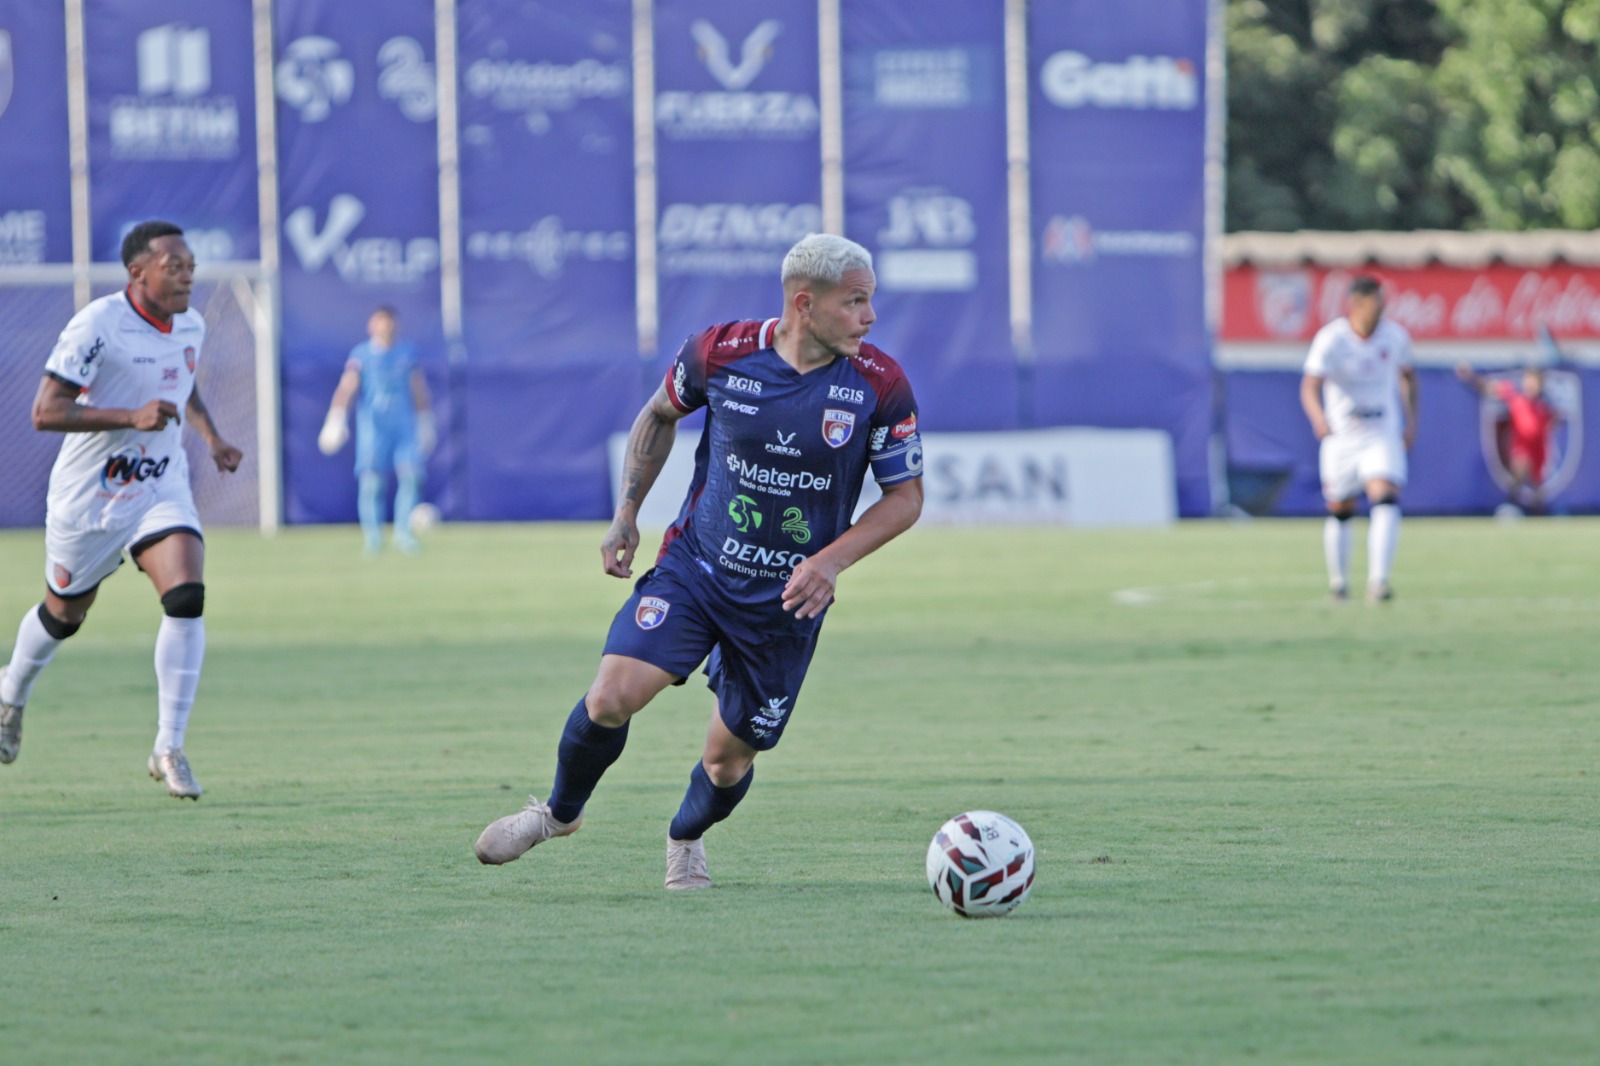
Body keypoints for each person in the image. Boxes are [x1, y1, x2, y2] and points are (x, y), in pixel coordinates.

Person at [474, 233, 924, 889]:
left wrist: (830, 562)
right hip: (697, 570)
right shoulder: (721, 353)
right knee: (610, 697)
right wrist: (627, 512)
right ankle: (558, 814)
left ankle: (685, 837)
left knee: (726, 762)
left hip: (785, 603)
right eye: (855, 302)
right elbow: (658, 415)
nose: (870, 316)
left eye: (870, 301)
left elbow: (906, 497)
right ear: (805, 303)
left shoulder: (879, 384)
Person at [0, 220, 244, 798]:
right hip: (90, 498)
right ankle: (10, 695)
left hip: (158, 484)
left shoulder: (191, 323)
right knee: (63, 615)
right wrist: (130, 417)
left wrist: (211, 437)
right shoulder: (97, 325)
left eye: (191, 266)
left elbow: (183, 382)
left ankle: (169, 745)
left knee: (186, 596)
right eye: (174, 266)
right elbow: (45, 411)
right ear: (138, 272)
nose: (187, 275)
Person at [1300, 274, 1418, 604]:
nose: (1381, 308)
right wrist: (1318, 418)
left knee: (1385, 495)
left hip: (1381, 432)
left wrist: (1411, 420)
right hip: (1342, 437)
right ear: (1357, 304)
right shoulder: (1332, 339)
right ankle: (1339, 585)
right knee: (1340, 507)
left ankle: (1379, 582)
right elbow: (1309, 385)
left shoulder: (1395, 337)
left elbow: (1409, 377)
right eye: (1375, 302)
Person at [317, 306, 435, 554]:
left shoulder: (407, 353)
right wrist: (336, 417)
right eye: (380, 322)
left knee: (412, 476)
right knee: (371, 482)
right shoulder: (361, 355)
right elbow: (348, 386)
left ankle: (404, 534)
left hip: (404, 426)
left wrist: (425, 420)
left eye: (389, 322)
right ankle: (373, 538)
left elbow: (418, 388)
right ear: (371, 326)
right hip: (373, 428)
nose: (385, 327)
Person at [1455, 363, 1561, 514]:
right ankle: (1511, 505)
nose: (1530, 385)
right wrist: (1471, 377)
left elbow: (1553, 421)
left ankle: (1537, 511)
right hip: (1521, 447)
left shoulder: (1545, 405)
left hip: (1539, 449)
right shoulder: (1516, 398)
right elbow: (1489, 387)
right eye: (1528, 381)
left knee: (1538, 488)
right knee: (1520, 467)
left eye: (1534, 382)